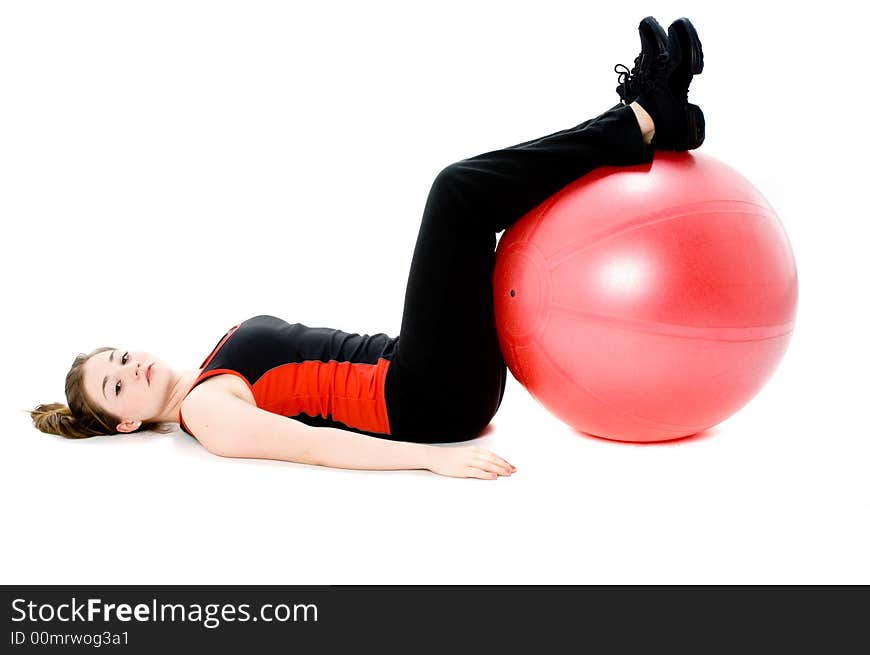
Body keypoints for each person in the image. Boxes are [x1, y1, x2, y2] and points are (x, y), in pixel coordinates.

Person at [29, 16, 704, 480]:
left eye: (118, 357)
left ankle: (648, 118)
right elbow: (318, 447)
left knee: (477, 206)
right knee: (458, 194)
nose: (130, 369)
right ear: (123, 423)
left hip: (428, 370)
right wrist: (429, 459)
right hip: (428, 401)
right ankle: (643, 118)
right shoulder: (205, 412)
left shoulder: (211, 360)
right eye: (115, 387)